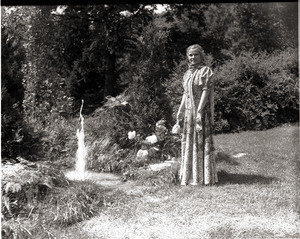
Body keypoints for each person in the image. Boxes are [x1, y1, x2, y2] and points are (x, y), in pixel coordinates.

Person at [175, 44, 218, 186]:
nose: (192, 57)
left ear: (201, 56)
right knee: (189, 142)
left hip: (200, 113)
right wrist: (180, 110)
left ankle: (203, 177)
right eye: (190, 55)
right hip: (188, 113)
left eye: (195, 54)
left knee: (200, 142)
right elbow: (185, 94)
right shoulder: (187, 74)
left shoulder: (206, 71)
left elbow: (206, 91)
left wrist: (199, 111)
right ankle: (189, 176)